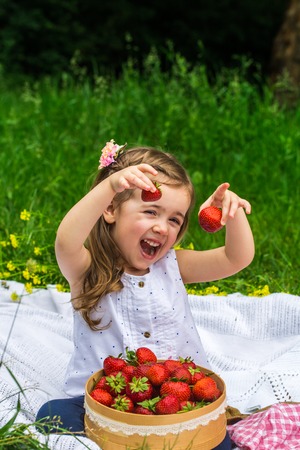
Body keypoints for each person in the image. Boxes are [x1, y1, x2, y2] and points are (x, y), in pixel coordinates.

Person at [36, 140, 255, 449]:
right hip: (107, 405)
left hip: (176, 403)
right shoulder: (88, 270)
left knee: (218, 439)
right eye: (151, 211)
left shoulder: (173, 265)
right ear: (110, 209)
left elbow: (237, 258)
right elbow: (65, 240)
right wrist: (109, 187)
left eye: (174, 219)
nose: (163, 227)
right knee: (50, 415)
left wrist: (233, 214)